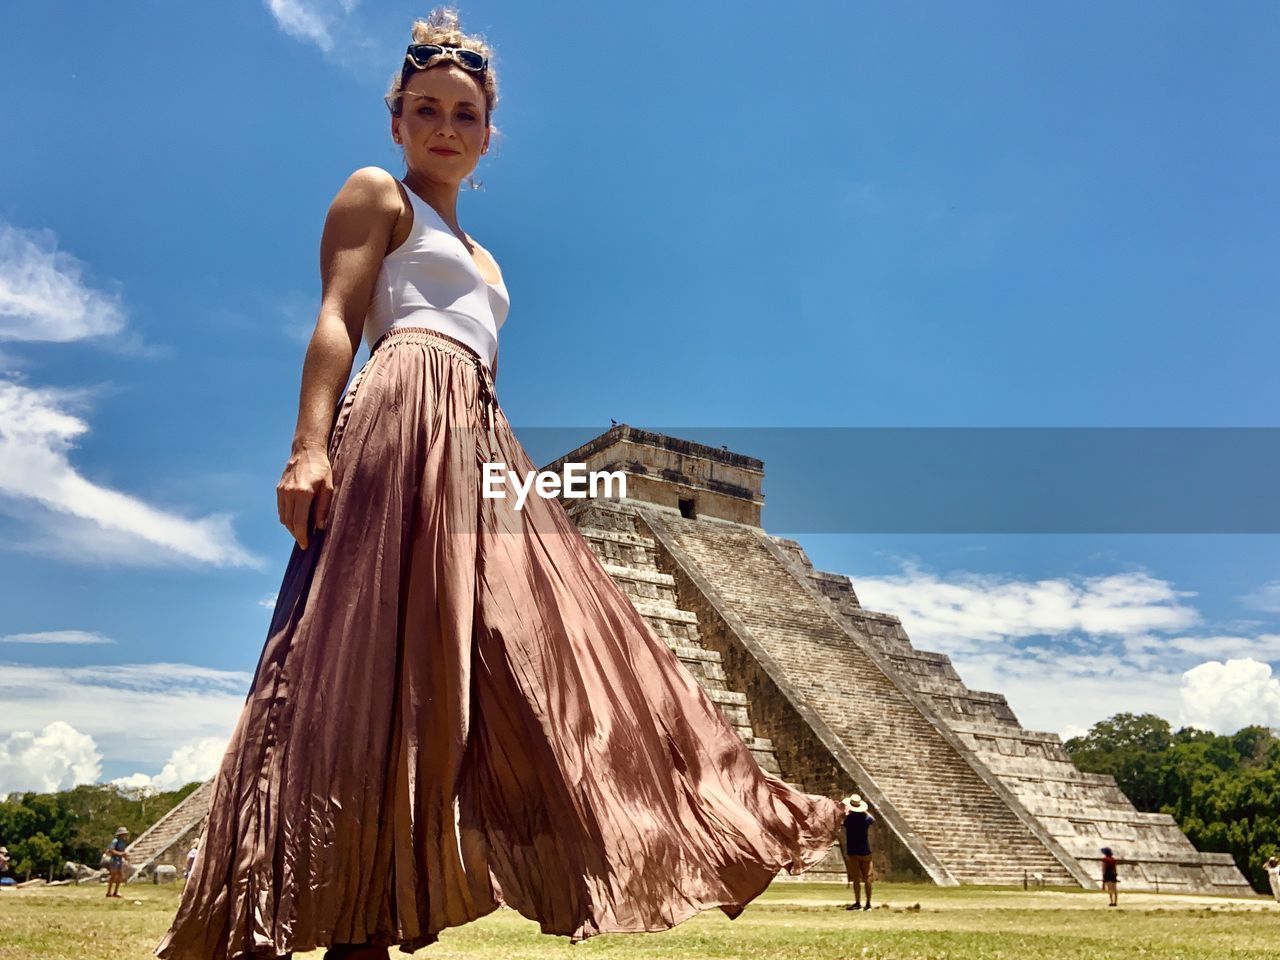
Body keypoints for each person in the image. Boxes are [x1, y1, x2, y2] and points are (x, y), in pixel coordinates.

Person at [153, 9, 844, 960]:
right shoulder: (377, 196)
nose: (445, 126)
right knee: (364, 670)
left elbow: (481, 368)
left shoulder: (486, 258)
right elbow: (336, 321)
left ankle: (659, 810)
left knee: (539, 648)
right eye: (427, 109)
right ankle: (349, 921)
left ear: (487, 134)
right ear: (396, 121)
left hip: (476, 439)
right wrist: (307, 447)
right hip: (400, 413)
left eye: (466, 114)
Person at [841, 794, 876, 911]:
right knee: (868, 878)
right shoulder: (865, 819)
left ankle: (857, 902)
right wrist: (864, 811)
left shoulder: (848, 819)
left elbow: (841, 820)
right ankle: (868, 904)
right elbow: (872, 819)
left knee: (856, 878)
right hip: (865, 851)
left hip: (852, 851)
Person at [105, 827, 130, 899]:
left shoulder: (123, 842)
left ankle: (115, 892)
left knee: (120, 876)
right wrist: (121, 854)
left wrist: (125, 856)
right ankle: (109, 892)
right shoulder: (115, 841)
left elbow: (123, 852)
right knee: (113, 876)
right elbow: (111, 850)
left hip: (119, 860)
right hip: (114, 860)